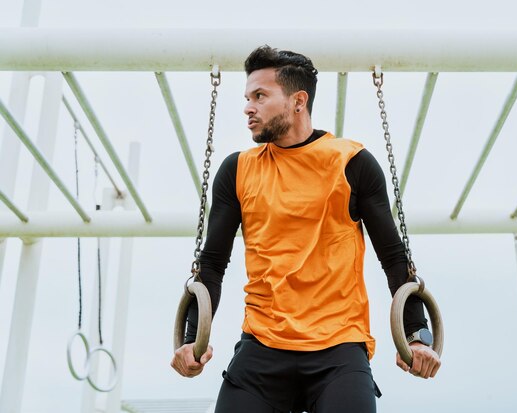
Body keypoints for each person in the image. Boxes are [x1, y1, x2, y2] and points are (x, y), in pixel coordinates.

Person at [171, 45, 441, 413]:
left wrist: (417, 336)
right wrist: (191, 340)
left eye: (260, 96)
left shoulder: (352, 163)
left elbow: (394, 259)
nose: (248, 107)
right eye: (247, 97)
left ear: (299, 100)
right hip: (262, 346)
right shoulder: (237, 170)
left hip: (339, 349)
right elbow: (212, 264)